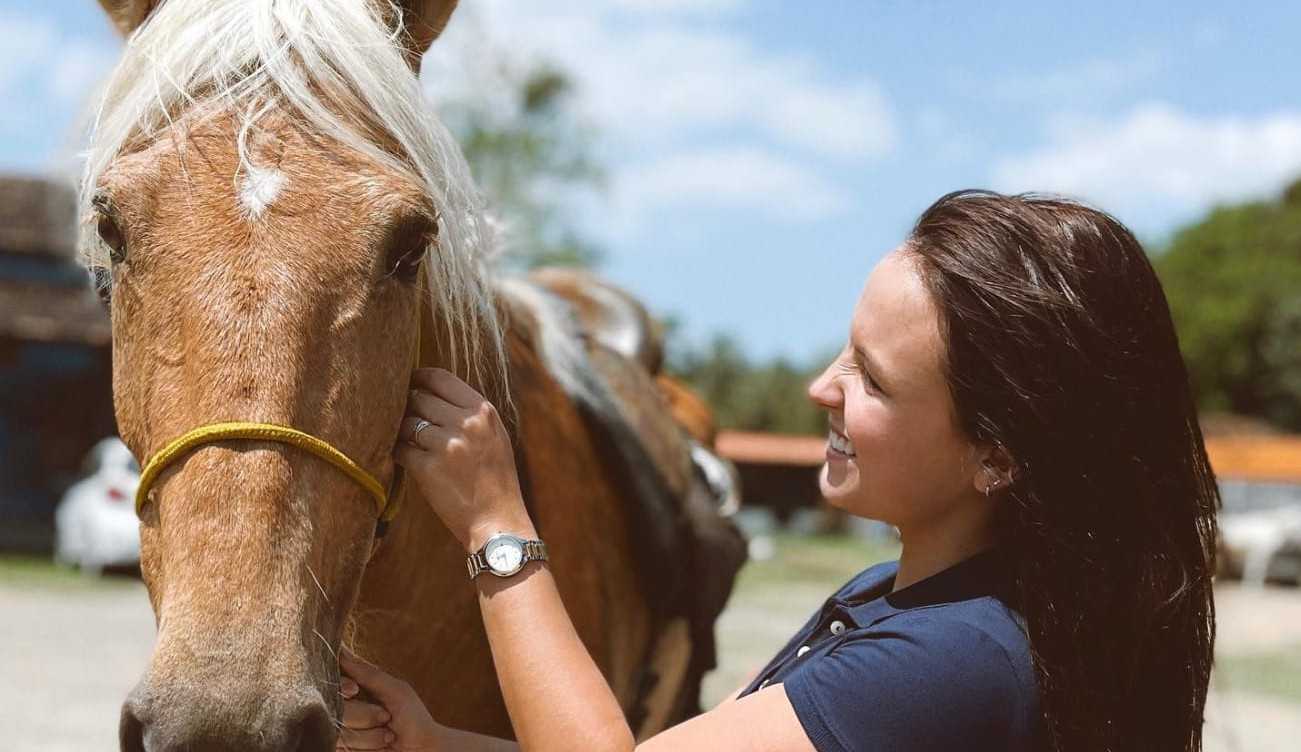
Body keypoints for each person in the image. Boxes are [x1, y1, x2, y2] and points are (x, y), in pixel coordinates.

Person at [335, 190, 1219, 752]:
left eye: (871, 379)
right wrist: (435, 739)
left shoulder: (945, 661)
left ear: (998, 454)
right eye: (844, 351)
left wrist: (497, 527)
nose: (818, 387)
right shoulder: (908, 599)